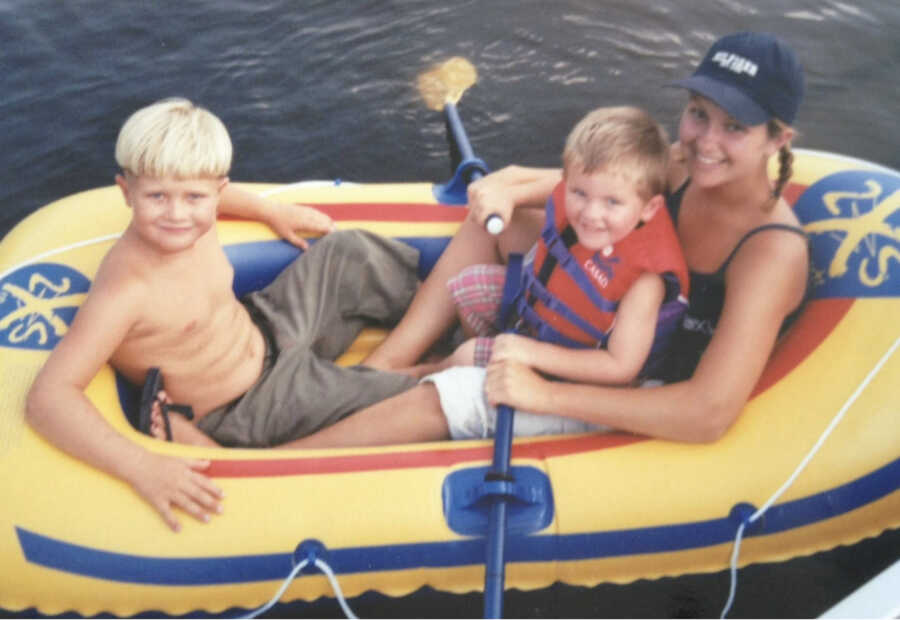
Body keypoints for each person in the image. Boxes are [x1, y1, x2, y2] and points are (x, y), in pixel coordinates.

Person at [356, 31, 809, 444]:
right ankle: (387, 365)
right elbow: (595, 187)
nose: (706, 141)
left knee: (445, 399)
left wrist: (544, 396)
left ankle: (293, 466)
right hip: (592, 329)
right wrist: (509, 184)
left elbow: (706, 413)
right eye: (698, 114)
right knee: (500, 221)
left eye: (734, 127)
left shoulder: (770, 252)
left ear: (777, 139)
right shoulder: (683, 164)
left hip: (638, 386)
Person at [25, 98, 421, 531]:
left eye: (193, 197)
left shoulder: (200, 215)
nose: (177, 214)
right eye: (156, 196)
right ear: (126, 192)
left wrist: (272, 210)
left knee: (351, 251)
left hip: (266, 324)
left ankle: (456, 311)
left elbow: (214, 195)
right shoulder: (127, 290)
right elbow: (49, 397)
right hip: (250, 404)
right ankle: (433, 370)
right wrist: (142, 466)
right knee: (414, 403)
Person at [281, 105, 690, 447]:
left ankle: (427, 373)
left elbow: (621, 366)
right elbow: (528, 190)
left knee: (464, 358)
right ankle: (428, 361)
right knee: (471, 285)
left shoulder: (644, 280)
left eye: (612, 203)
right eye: (579, 194)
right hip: (538, 327)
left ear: (649, 209)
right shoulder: (578, 199)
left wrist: (529, 355)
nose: (590, 213)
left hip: (580, 375)